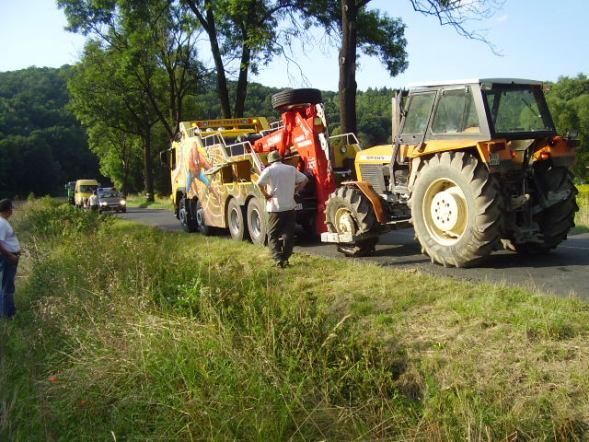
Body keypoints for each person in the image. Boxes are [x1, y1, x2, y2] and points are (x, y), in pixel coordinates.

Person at [256, 150, 308, 268]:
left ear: (270, 161)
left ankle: (278, 259)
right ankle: (285, 258)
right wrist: (296, 190)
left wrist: (266, 195)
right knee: (288, 235)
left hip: (275, 208)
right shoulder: (290, 169)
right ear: (280, 159)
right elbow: (305, 179)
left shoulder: (269, 170)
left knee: (272, 234)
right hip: (290, 207)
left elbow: (259, 183)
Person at [0, 199, 21, 318]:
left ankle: (7, 310)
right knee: (8, 287)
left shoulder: (3, 221)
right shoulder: (2, 223)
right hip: (8, 258)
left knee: (6, 285)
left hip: (9, 258)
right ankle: (8, 314)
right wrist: (11, 256)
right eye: (11, 208)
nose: (12, 211)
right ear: (8, 210)